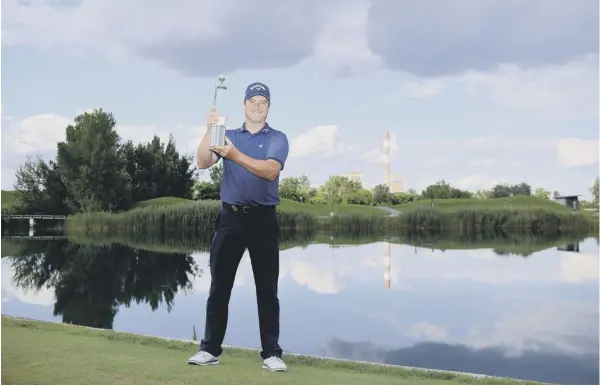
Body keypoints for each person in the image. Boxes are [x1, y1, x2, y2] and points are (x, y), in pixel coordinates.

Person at [187, 82, 289, 372]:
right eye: (252, 102)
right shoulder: (227, 135)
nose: (257, 107)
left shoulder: (277, 138)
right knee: (220, 286)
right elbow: (203, 162)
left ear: (268, 107)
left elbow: (270, 171)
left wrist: (234, 156)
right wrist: (209, 130)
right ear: (244, 105)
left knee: (267, 288)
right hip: (230, 218)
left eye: (262, 102)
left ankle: (271, 353)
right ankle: (209, 349)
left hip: (263, 219)